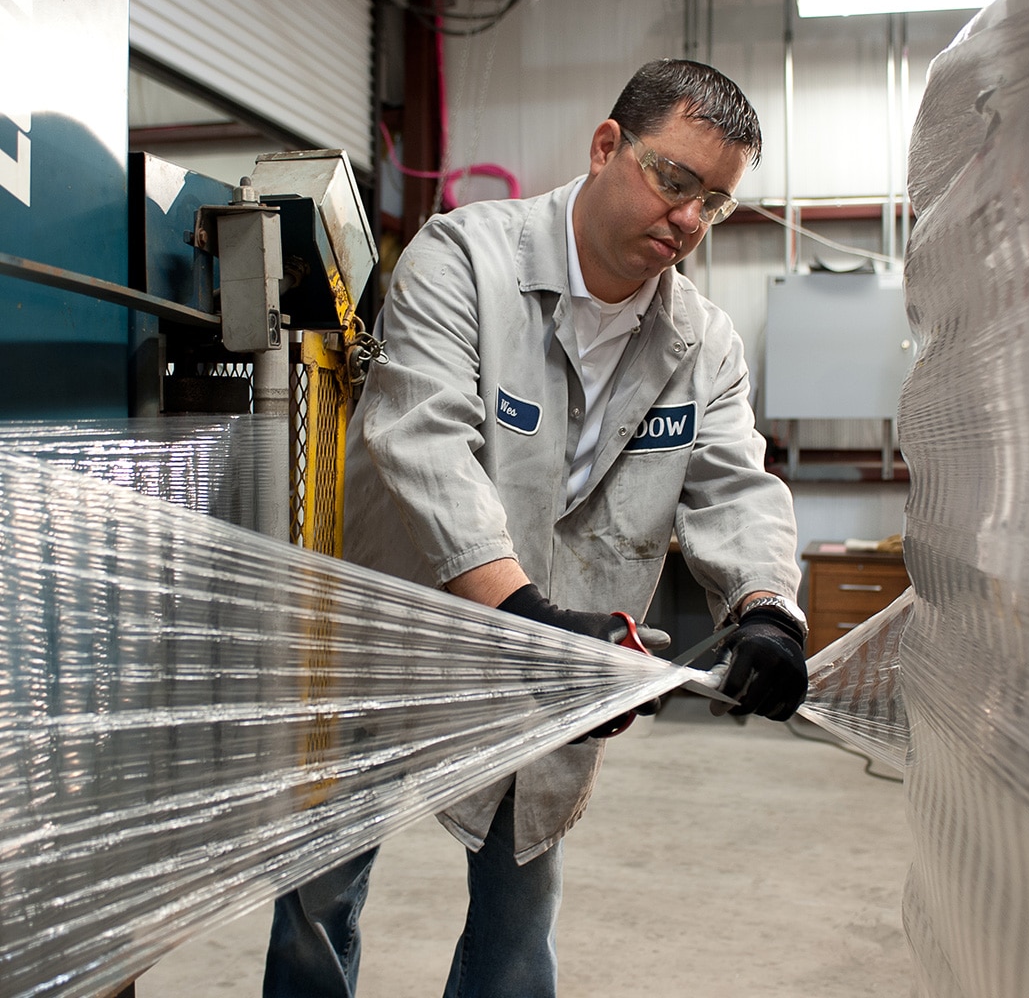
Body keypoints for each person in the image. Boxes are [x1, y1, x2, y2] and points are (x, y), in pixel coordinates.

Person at [262, 58, 809, 998]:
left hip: (555, 657)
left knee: (520, 907)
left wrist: (768, 609)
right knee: (321, 888)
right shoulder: (463, 257)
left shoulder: (703, 341)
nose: (687, 220)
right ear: (607, 147)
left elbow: (733, 489)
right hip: (401, 628)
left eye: (713, 204)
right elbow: (424, 442)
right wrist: (526, 611)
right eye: (674, 180)